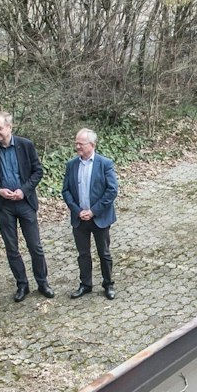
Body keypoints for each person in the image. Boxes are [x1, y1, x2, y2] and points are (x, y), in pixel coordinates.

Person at [0, 111, 53, 302]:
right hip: (4, 206)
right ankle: (22, 284)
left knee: (35, 246)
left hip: (25, 203)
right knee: (12, 248)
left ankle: (42, 282)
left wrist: (24, 190)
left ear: (9, 127)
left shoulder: (25, 145)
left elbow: (38, 171)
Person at [62, 127, 118, 300]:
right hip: (79, 219)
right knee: (83, 254)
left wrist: (93, 211)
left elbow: (112, 190)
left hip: (99, 218)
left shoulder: (105, 164)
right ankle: (85, 284)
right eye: (76, 143)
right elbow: (66, 191)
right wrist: (78, 211)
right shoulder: (71, 165)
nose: (77, 146)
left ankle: (108, 284)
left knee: (104, 253)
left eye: (81, 143)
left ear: (92, 145)